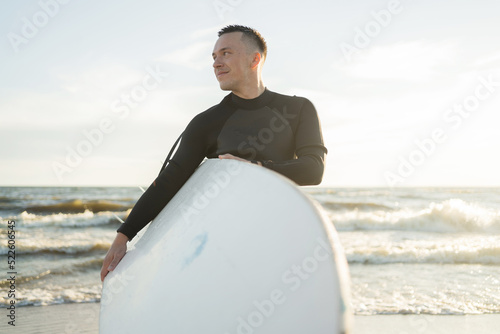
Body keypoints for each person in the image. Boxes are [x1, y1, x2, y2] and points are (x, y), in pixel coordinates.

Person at [100, 25, 327, 281]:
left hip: (283, 239)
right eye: (214, 57)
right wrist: (123, 237)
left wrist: (255, 168)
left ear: (255, 59)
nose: (216, 63)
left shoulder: (298, 109)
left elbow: (313, 169)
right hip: (226, 247)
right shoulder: (207, 122)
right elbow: (169, 181)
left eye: (226, 53)